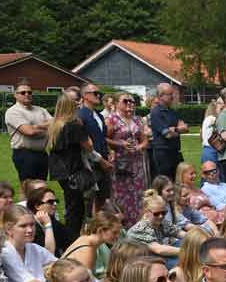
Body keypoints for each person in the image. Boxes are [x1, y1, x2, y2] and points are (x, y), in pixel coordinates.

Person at [46, 93, 93, 238]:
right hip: (73, 171)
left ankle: (69, 236)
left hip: (60, 172)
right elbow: (89, 146)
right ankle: (71, 239)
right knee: (76, 209)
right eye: (76, 102)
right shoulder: (73, 125)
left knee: (71, 205)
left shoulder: (55, 125)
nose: (79, 103)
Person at [0, 205, 56, 282]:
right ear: (9, 229)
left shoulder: (34, 248)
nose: (30, 230)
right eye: (23, 226)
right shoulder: (5, 253)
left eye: (32, 225)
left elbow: (63, 268)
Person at [106, 91, 148, 227]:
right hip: (120, 163)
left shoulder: (138, 120)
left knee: (138, 195)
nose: (130, 104)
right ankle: (122, 226)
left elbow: (145, 140)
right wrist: (120, 144)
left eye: (132, 101)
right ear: (117, 103)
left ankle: (138, 224)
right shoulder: (112, 119)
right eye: (125, 101)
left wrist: (139, 147)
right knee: (122, 196)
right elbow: (104, 138)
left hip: (137, 164)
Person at [5, 82, 52, 181]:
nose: (27, 94)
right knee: (28, 187)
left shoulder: (41, 110)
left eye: (29, 92)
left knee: (41, 186)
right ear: (15, 95)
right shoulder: (13, 111)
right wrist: (44, 127)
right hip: (25, 154)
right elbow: (29, 132)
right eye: (23, 92)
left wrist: (35, 127)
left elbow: (55, 126)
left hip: (42, 153)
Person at [78, 83, 114, 210]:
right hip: (89, 162)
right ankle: (86, 226)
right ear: (85, 96)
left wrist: (109, 152)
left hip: (103, 160)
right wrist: (100, 160)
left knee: (103, 195)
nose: (99, 96)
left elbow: (102, 137)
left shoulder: (98, 115)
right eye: (95, 93)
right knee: (88, 198)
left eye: (99, 93)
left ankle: (96, 222)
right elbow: (84, 143)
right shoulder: (80, 115)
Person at [126, 191, 185, 262]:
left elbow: (180, 233)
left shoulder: (161, 223)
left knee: (185, 242)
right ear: (146, 212)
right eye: (156, 213)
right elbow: (159, 250)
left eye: (163, 213)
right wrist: (187, 252)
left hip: (152, 259)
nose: (161, 216)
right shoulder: (140, 229)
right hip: (137, 264)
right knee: (183, 262)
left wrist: (197, 239)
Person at [61, 211, 122, 280]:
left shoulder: (84, 239)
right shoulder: (88, 251)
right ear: (100, 231)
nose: (118, 236)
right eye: (114, 232)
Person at [150, 83, 188, 178]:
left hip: (175, 152)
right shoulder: (156, 112)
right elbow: (167, 134)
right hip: (163, 154)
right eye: (169, 94)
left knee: (179, 179)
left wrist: (174, 130)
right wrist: (177, 129)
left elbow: (185, 128)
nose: (173, 96)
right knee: (166, 182)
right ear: (160, 96)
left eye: (173, 94)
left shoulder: (173, 112)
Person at [26, 186, 72, 256]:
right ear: (37, 206)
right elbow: (47, 255)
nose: (55, 204)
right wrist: (48, 225)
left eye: (56, 201)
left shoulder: (54, 222)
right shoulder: (30, 227)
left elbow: (73, 240)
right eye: (50, 202)